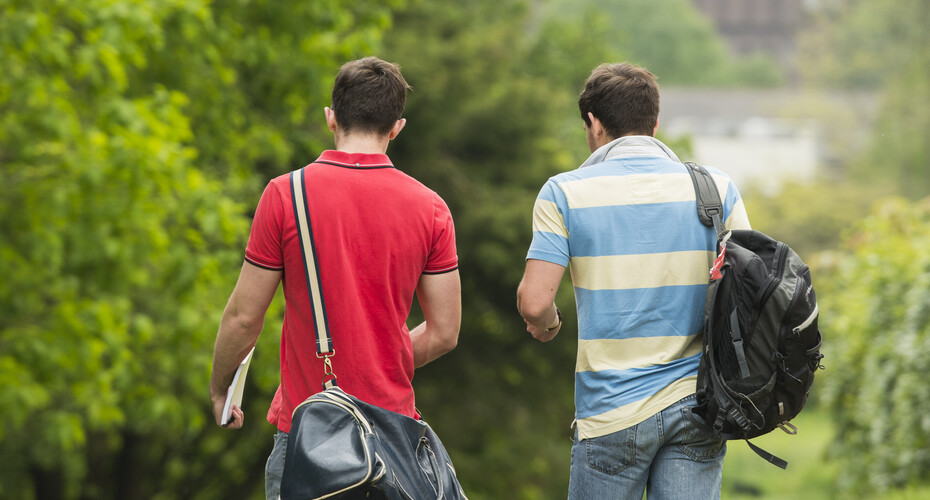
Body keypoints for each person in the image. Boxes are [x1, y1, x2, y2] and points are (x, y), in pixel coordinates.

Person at [209, 57, 462, 500]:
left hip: (309, 437)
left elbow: (243, 318)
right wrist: (383, 358)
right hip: (395, 440)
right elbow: (444, 333)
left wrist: (220, 387)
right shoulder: (432, 208)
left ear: (330, 118)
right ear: (397, 127)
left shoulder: (286, 195)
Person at [516, 62, 751, 499]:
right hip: (697, 405)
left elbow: (534, 303)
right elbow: (745, 291)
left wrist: (548, 324)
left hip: (611, 411)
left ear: (593, 123)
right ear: (655, 124)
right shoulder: (716, 189)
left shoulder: (564, 193)